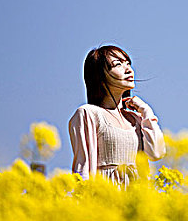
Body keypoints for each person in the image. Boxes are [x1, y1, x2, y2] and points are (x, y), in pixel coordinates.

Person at [69, 45, 166, 186]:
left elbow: (156, 153)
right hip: (105, 198)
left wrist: (146, 111)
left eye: (128, 64)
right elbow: (83, 168)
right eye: (118, 64)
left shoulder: (136, 119)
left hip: (137, 198)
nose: (129, 70)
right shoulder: (88, 114)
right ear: (100, 75)